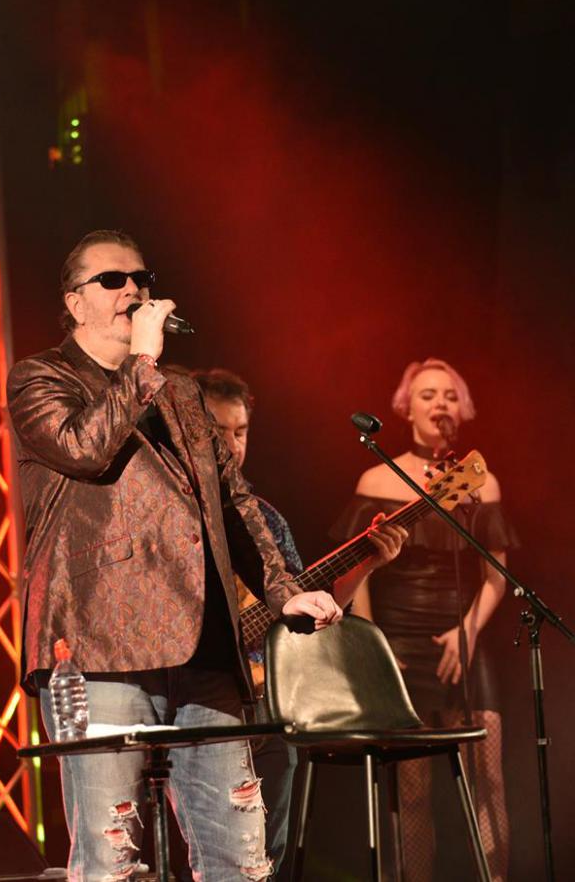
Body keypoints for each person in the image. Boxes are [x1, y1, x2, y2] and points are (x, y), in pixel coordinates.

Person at [7, 230, 396, 881]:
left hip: (203, 647)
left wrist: (284, 590)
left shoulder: (181, 393)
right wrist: (141, 363)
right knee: (110, 856)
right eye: (112, 280)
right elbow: (82, 448)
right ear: (74, 303)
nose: (133, 290)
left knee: (239, 855)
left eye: (142, 278)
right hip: (99, 645)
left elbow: (235, 503)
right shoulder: (42, 378)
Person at [189, 366, 407, 878]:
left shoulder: (264, 518)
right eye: (219, 431)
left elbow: (309, 610)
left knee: (269, 846)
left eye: (241, 432)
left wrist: (365, 565)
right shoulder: (171, 514)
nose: (233, 445)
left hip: (266, 703)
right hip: (200, 701)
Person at [335, 358, 514, 882]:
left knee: (488, 777)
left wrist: (468, 630)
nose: (440, 403)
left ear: (464, 410)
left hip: (463, 636)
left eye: (450, 396)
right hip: (398, 641)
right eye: (428, 394)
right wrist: (374, 648)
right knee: (411, 789)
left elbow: (497, 577)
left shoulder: (481, 482)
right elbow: (360, 576)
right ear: (406, 408)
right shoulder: (376, 477)